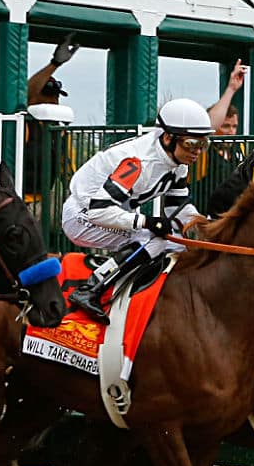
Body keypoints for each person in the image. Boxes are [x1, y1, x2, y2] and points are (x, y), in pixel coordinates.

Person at [59, 99, 214, 324]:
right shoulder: (139, 163)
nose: (198, 152)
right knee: (154, 239)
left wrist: (206, 231)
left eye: (203, 144)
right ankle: (91, 289)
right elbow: (98, 212)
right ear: (168, 138)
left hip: (110, 212)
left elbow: (178, 208)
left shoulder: (178, 163)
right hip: (82, 216)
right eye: (191, 144)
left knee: (180, 242)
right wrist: (146, 221)